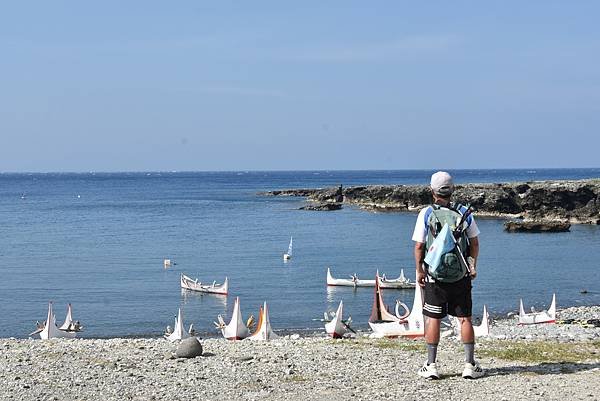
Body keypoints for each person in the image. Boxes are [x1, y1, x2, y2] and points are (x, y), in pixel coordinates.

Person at [412, 171, 484, 379]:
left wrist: (419, 271)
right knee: (464, 319)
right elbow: (475, 243)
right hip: (460, 275)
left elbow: (419, 246)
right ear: (452, 190)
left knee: (433, 318)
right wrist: (472, 266)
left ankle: (431, 365)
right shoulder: (464, 212)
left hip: (435, 276)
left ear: (432, 191)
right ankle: (469, 365)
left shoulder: (426, 213)